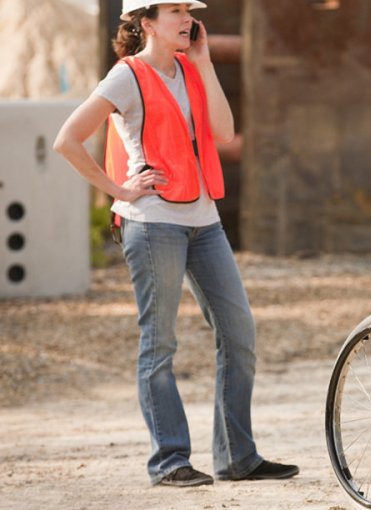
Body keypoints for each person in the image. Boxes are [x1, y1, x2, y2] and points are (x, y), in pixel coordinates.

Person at [53, 1, 297, 487]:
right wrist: (120, 191)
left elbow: (225, 132)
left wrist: (205, 63)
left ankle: (236, 457)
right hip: (152, 222)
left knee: (239, 333)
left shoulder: (191, 68)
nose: (186, 19)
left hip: (203, 220)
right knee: (160, 343)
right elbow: (67, 139)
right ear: (146, 22)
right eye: (174, 10)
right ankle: (169, 461)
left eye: (189, 10)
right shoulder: (127, 77)